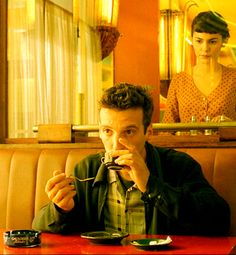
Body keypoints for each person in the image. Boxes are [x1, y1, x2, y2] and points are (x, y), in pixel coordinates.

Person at [32, 83, 230, 235]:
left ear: (148, 132)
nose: (116, 144)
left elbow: (219, 220)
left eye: (129, 131)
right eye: (107, 131)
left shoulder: (178, 166)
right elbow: (38, 226)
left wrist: (150, 184)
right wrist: (61, 209)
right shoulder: (88, 170)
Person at [162, 11, 236, 123]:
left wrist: (231, 125)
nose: (205, 48)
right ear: (192, 40)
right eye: (199, 41)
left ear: (223, 41)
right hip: (185, 141)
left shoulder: (233, 79)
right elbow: (167, 129)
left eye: (212, 42)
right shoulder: (179, 80)